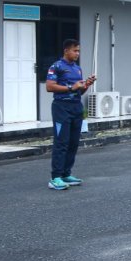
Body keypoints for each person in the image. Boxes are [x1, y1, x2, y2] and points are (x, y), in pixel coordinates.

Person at [45, 39, 96, 190]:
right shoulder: (56, 66)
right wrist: (70, 87)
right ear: (66, 50)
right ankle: (55, 177)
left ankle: (66, 173)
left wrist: (86, 85)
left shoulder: (77, 69)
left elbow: (78, 90)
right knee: (61, 142)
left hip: (76, 107)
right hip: (62, 107)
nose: (77, 54)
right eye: (75, 51)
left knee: (73, 142)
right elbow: (49, 86)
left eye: (79, 51)